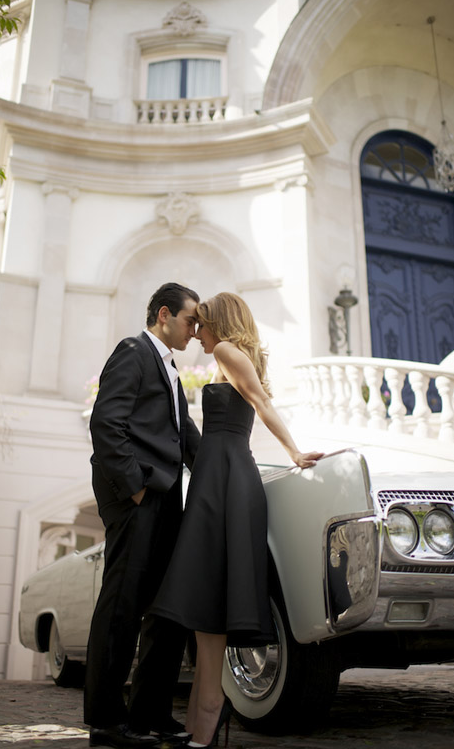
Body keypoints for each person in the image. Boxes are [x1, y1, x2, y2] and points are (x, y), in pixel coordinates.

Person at [150, 292, 324, 748]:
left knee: (210, 597)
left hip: (226, 482)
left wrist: (295, 452)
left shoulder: (227, 351)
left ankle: (204, 724)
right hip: (216, 477)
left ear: (218, 323)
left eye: (200, 323)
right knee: (208, 600)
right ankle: (201, 725)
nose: (196, 332)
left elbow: (261, 403)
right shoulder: (229, 356)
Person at [84, 282, 201, 749]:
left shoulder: (171, 369)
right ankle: (106, 724)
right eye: (191, 320)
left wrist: (228, 470)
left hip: (167, 498)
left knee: (167, 612)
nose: (195, 330)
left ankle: (148, 713)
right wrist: (133, 488)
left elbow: (185, 434)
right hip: (139, 497)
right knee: (122, 610)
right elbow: (106, 423)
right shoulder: (133, 351)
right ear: (165, 315)